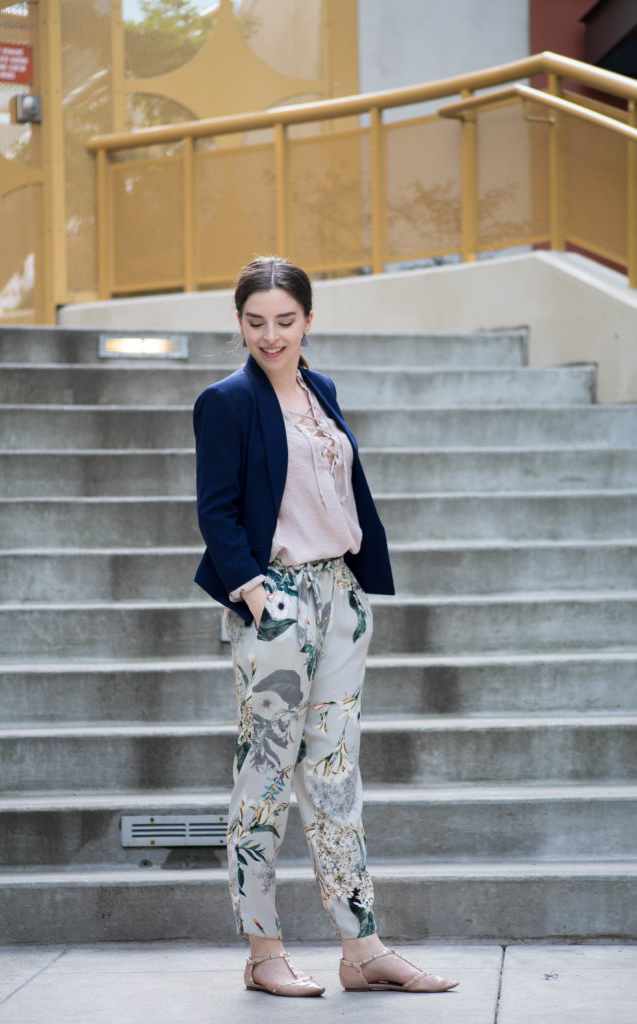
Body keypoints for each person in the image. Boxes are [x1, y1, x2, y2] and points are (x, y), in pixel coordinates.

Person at [193, 256, 458, 998]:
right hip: (274, 599)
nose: (269, 336)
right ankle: (262, 949)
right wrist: (254, 595)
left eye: (284, 320)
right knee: (267, 774)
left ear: (308, 319)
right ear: (238, 321)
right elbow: (215, 508)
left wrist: (351, 592)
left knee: (336, 776)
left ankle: (361, 946)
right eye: (254, 322)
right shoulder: (227, 401)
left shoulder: (321, 391)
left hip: (339, 596)